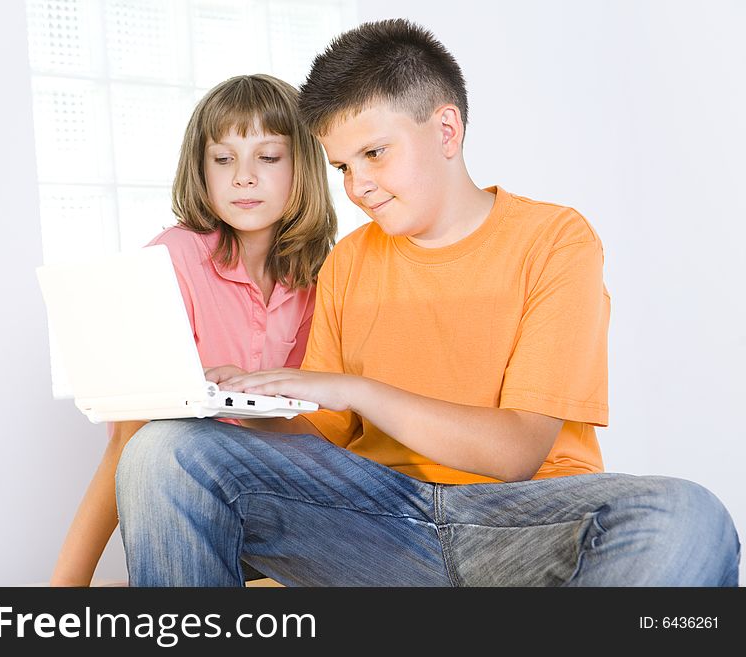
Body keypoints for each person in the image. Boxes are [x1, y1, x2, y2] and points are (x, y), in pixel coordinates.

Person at [115, 19, 740, 586]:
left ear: (446, 129)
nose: (358, 186)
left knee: (686, 515)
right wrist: (236, 406)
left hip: (520, 524)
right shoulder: (349, 261)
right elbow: (321, 440)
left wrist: (355, 389)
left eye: (375, 154)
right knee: (165, 453)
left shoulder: (555, 241)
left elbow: (517, 451)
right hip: (379, 525)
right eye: (342, 167)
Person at [49, 74, 337, 586]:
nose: (243, 177)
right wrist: (68, 582)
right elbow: (129, 438)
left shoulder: (326, 274)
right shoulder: (173, 258)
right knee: (159, 441)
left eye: (268, 158)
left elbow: (327, 435)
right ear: (200, 169)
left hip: (290, 502)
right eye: (223, 159)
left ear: (303, 167)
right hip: (192, 497)